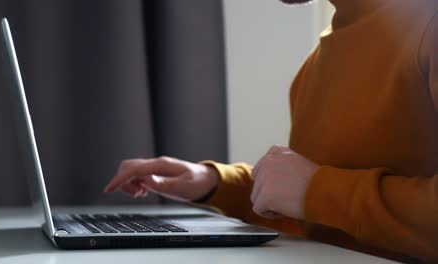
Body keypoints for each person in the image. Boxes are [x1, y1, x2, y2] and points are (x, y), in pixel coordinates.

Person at [105, 0, 438, 262]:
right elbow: (312, 210)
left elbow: (317, 193)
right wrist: (214, 184)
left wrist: (314, 190)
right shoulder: (316, 62)